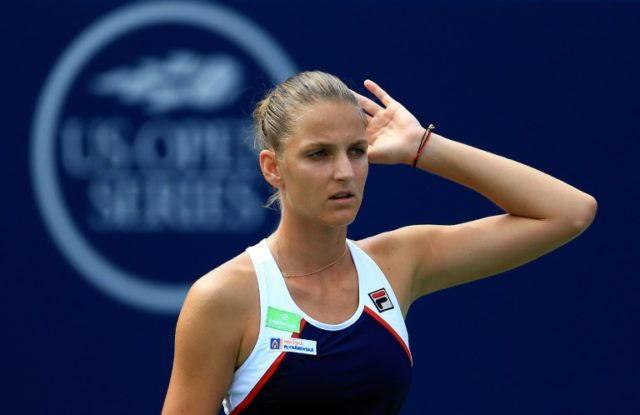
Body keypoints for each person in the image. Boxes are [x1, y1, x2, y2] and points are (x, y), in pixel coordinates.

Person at [161, 71, 597, 414]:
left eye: (356, 151)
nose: (345, 173)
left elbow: (568, 212)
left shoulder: (398, 262)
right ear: (272, 168)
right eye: (319, 154)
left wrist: (422, 147)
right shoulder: (223, 297)